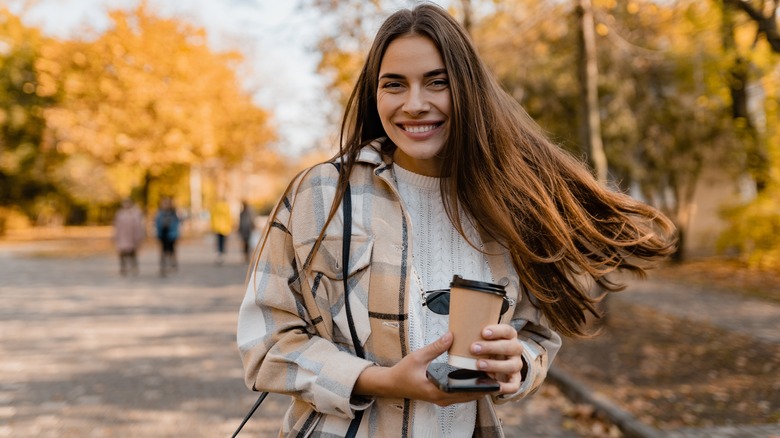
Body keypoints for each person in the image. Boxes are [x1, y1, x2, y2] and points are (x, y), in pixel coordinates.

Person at [237, 4, 676, 437]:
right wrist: (380, 380)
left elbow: (537, 336)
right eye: (394, 85)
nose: (414, 104)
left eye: (436, 83)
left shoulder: (511, 199)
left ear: (467, 88)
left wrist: (515, 363)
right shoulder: (320, 194)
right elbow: (267, 343)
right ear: (375, 94)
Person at [113, 197, 145, 276]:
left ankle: (134, 267)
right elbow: (116, 226)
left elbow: (138, 226)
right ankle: (123, 268)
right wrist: (115, 236)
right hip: (122, 236)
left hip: (132, 237)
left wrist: (138, 237)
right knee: (122, 253)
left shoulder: (135, 214)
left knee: (132, 253)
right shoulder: (120, 213)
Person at [154, 197, 180, 276]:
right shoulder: (159, 214)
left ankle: (172, 264)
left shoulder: (173, 214)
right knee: (163, 251)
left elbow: (176, 224)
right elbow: (156, 224)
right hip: (162, 235)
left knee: (171, 251)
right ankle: (163, 265)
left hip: (171, 235)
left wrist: (175, 234)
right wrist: (157, 234)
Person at [210, 199, 233, 265]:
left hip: (217, 227)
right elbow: (229, 218)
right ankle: (222, 254)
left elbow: (212, 217)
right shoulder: (226, 207)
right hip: (225, 228)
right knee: (223, 242)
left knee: (218, 242)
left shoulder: (215, 207)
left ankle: (219, 255)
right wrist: (229, 227)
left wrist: (213, 226)